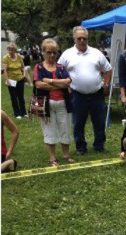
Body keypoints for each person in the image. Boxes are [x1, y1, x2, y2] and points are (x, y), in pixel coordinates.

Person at [58, 26, 113, 154]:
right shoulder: (67, 54)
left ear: (87, 39)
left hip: (97, 93)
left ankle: (99, 145)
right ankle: (81, 147)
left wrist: (106, 85)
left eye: (84, 38)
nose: (82, 40)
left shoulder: (96, 53)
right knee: (78, 122)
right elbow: (59, 71)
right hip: (77, 94)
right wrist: (66, 87)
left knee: (99, 121)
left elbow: (108, 69)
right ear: (74, 39)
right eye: (79, 38)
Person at [34, 38, 76, 166]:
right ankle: (52, 158)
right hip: (45, 104)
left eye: (54, 52)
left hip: (63, 103)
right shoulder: (39, 67)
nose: (52, 55)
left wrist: (50, 81)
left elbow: (68, 82)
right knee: (49, 130)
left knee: (65, 128)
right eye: (49, 52)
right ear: (43, 52)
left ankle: (66, 155)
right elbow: (39, 84)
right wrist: (60, 84)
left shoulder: (61, 67)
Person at [2, 42, 29, 119]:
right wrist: (7, 80)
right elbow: (5, 70)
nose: (10, 51)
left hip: (20, 79)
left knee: (21, 97)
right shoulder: (5, 58)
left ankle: (24, 112)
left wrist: (24, 75)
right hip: (11, 80)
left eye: (12, 50)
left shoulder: (19, 57)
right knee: (14, 97)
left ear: (15, 50)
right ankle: (17, 114)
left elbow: (23, 67)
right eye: (9, 50)